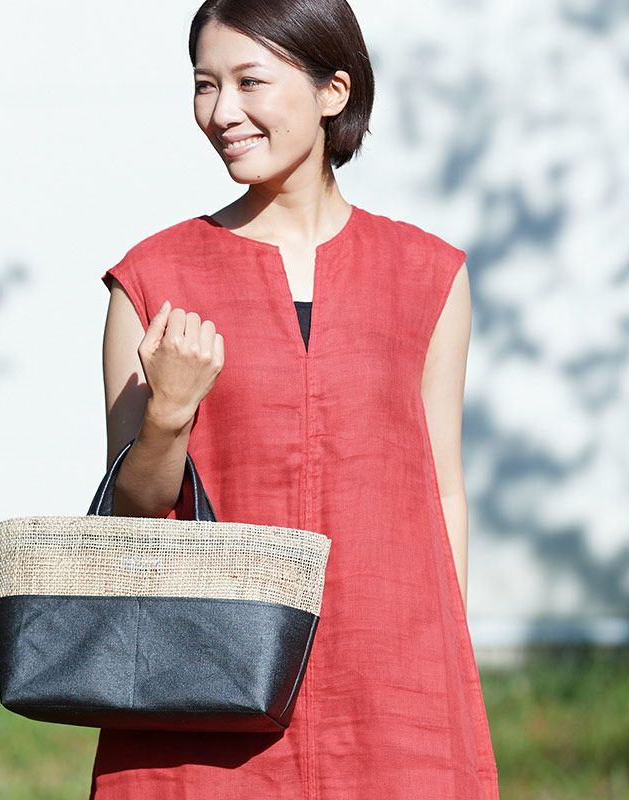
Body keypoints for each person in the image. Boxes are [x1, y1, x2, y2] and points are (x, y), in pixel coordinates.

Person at [91, 0, 499, 797]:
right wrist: (169, 413)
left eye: (250, 81)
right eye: (204, 84)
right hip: (202, 690)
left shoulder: (428, 275)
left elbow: (442, 489)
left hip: (388, 690)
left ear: (332, 91)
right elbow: (129, 515)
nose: (221, 112)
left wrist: (440, 667)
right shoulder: (150, 278)